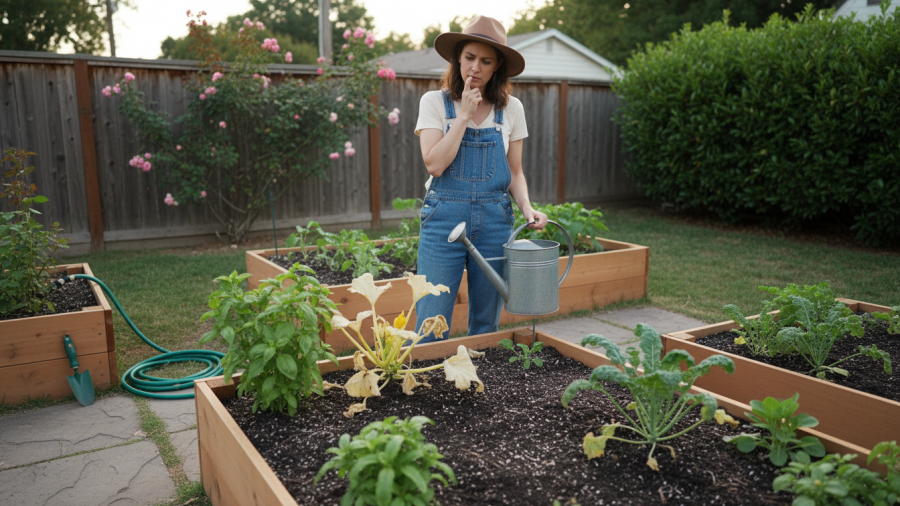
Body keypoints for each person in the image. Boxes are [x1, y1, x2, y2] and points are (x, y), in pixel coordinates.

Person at [414, 15, 548, 343]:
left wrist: (527, 207)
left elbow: (515, 172)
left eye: (486, 61)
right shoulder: (434, 103)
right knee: (430, 323)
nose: (476, 67)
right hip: (443, 221)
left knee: (486, 326)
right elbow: (435, 165)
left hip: (494, 222)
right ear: (457, 58)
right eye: (470, 57)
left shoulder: (511, 109)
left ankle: (476, 375)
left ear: (497, 65)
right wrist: (463, 116)